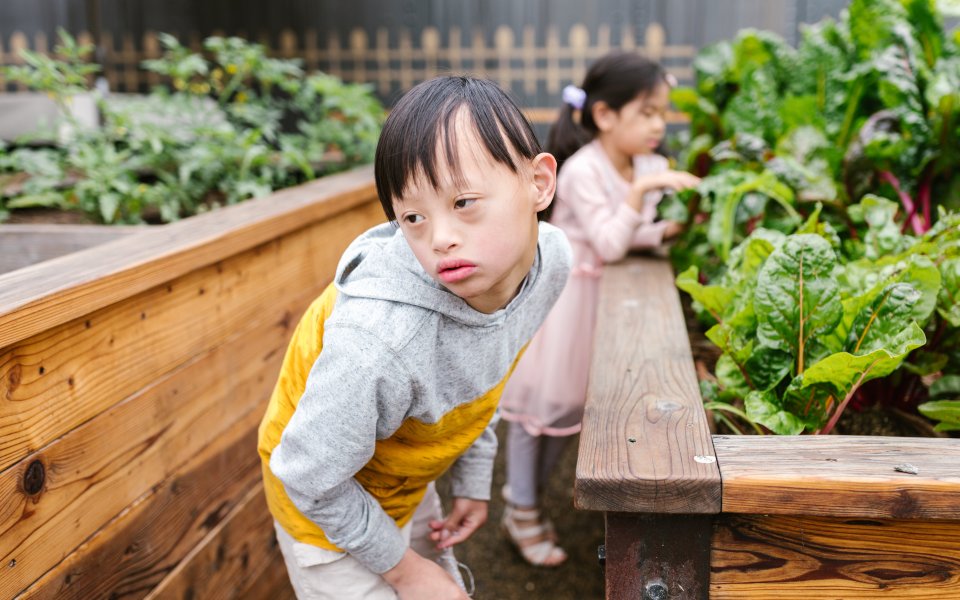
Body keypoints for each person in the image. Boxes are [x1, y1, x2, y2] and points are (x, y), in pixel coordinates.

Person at [257, 75, 572, 600]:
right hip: (323, 505)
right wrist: (404, 571)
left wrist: (473, 478)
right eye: (413, 217)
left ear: (538, 183)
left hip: (399, 473)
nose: (440, 237)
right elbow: (309, 477)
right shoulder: (379, 342)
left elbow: (487, 367)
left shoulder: (550, 263)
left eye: (465, 201)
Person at [498, 51, 700, 567]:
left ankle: (526, 504)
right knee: (537, 409)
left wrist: (666, 230)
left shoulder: (646, 165)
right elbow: (610, 243)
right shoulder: (584, 169)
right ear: (606, 115)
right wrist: (640, 193)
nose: (660, 124)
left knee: (567, 411)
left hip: (598, 307)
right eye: (647, 112)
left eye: (662, 112)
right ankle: (521, 509)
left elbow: (630, 236)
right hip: (565, 304)